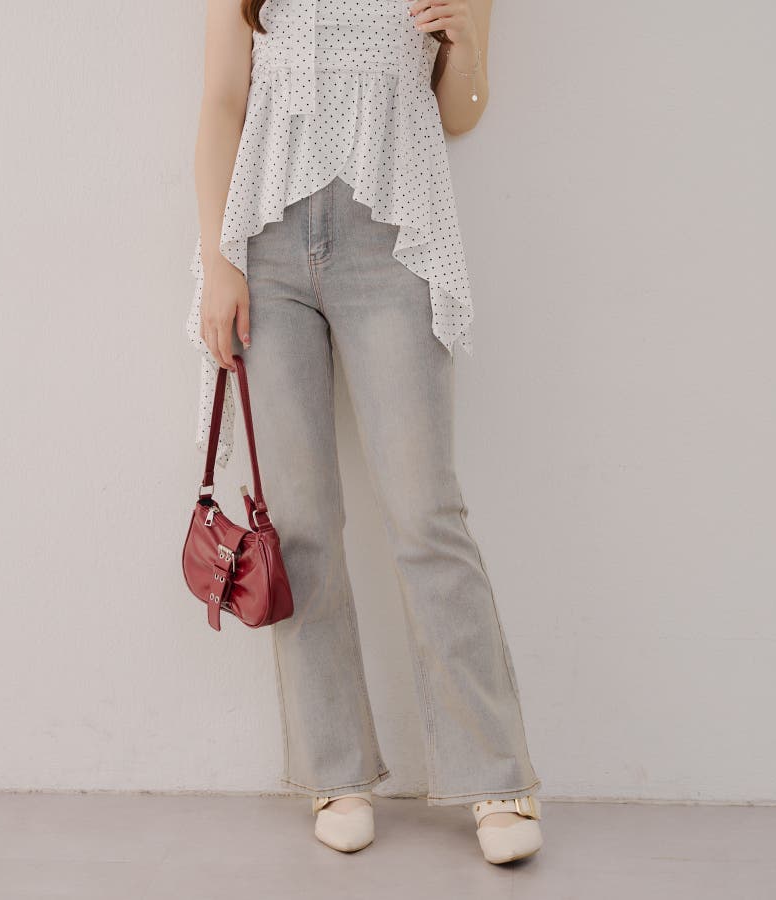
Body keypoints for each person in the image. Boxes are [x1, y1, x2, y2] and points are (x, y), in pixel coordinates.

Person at [185, 0, 543, 864]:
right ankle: (335, 772)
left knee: (426, 513)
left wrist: (465, 43)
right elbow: (223, 99)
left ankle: (497, 776)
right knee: (301, 519)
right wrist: (218, 262)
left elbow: (461, 112)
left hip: (395, 240)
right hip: (265, 244)